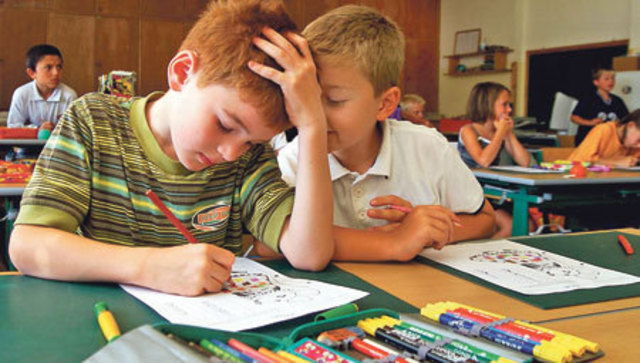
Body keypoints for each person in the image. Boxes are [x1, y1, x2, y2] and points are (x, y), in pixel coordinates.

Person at [9, 0, 334, 297]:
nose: (233, 152)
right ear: (181, 73)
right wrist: (149, 266)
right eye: (225, 124)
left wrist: (312, 126)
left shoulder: (247, 160)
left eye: (251, 140)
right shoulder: (93, 122)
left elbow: (309, 253)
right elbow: (27, 246)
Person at [277, 5, 496, 261]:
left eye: (334, 100)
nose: (314, 114)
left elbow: (486, 220)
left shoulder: (426, 147)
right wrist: (393, 240)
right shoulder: (293, 159)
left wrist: (427, 228)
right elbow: (273, 244)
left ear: (385, 104)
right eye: (308, 97)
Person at [457, 82, 530, 238]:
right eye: (504, 105)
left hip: (500, 195)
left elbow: (525, 162)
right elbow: (484, 161)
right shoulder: (469, 130)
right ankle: (478, 254)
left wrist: (509, 134)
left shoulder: (502, 131)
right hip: (476, 197)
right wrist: (500, 133)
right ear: (487, 105)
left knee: (528, 224)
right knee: (510, 226)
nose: (509, 110)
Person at [7, 44, 77, 128]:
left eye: (59, 67)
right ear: (32, 73)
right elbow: (13, 127)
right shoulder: (22, 94)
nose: (56, 73)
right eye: (48, 67)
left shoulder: (69, 95)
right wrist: (37, 129)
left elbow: (74, 130)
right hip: (28, 141)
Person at [571, 68, 629, 146]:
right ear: (596, 82)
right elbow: (574, 117)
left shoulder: (617, 101)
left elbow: (626, 119)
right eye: (606, 79)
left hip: (609, 141)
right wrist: (590, 122)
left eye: (612, 78)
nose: (610, 81)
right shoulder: (588, 99)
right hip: (588, 141)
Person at [569, 109, 640, 167]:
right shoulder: (604, 130)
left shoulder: (633, 144)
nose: (639, 146)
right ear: (631, 126)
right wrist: (614, 162)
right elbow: (578, 161)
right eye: (639, 140)